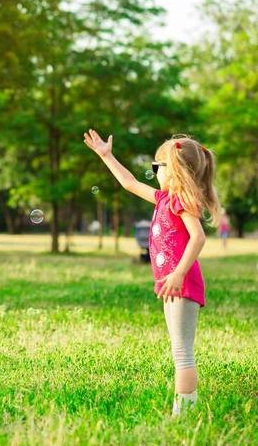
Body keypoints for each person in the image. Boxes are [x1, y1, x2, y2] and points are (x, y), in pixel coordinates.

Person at [84, 130, 221, 416]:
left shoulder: (183, 202)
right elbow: (129, 182)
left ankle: (183, 415)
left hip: (182, 285)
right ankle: (183, 409)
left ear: (175, 171)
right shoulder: (164, 199)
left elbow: (198, 238)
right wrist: (106, 155)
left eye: (158, 166)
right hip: (171, 285)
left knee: (182, 352)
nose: (154, 171)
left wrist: (178, 274)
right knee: (177, 349)